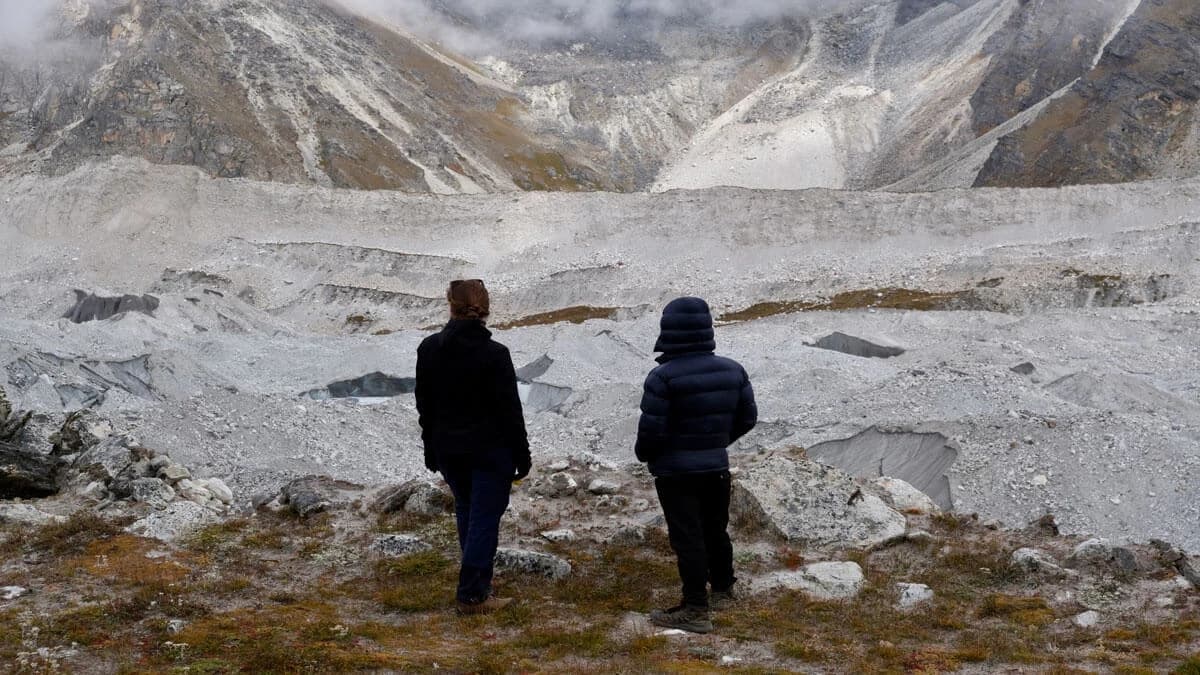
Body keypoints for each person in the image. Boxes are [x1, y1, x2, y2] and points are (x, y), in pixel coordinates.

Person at [635, 296, 757, 634]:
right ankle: (723, 589)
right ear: (706, 328)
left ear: (668, 330)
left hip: (675, 473)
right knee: (715, 530)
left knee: (687, 538)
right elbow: (748, 418)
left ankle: (694, 608)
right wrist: (715, 443)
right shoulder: (733, 370)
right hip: (716, 467)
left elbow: (651, 431)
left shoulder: (662, 377)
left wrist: (648, 455)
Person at [415, 279, 531, 615]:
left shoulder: (429, 348)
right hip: (491, 449)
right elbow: (510, 409)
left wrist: (430, 448)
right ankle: (471, 595)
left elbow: (426, 406)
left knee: (468, 513)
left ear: (449, 305)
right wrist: (522, 455)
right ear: (484, 309)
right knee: (484, 518)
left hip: (449, 449)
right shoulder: (495, 354)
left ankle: (478, 586)